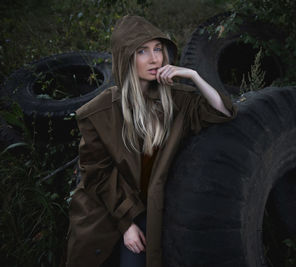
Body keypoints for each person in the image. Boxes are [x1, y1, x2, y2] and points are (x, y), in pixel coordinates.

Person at [66, 15, 237, 267]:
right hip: (108, 209)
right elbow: (97, 175)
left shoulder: (177, 100)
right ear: (126, 58)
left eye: (158, 49)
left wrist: (193, 75)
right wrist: (127, 225)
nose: (154, 58)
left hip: (152, 207)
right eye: (142, 51)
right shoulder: (100, 112)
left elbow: (223, 112)